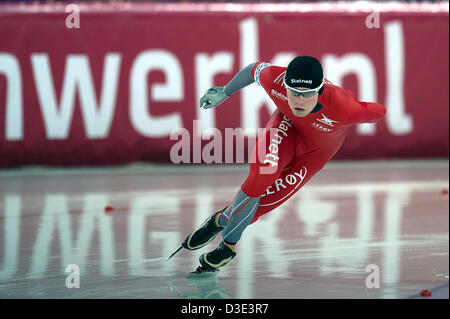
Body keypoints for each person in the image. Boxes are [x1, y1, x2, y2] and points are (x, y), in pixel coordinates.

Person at [180, 56, 386, 273]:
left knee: (256, 209)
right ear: (284, 86)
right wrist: (225, 91)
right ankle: (228, 247)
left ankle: (218, 221)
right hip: (286, 126)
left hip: (314, 154)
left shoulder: (344, 107)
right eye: (293, 92)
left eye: (307, 94)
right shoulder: (276, 80)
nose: (298, 100)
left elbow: (379, 111)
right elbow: (253, 70)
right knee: (260, 177)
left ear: (320, 91)